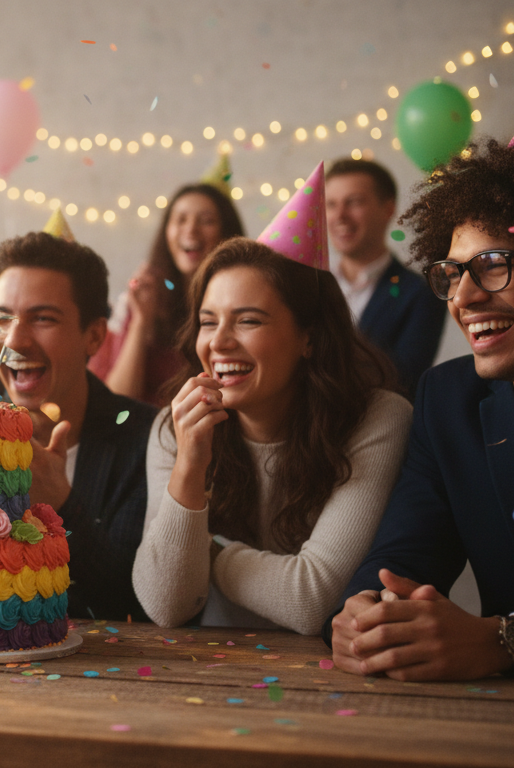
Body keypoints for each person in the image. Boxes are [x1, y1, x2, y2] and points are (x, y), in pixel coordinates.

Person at [327, 131, 514, 681]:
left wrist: (510, 640)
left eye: (494, 264)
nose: (463, 297)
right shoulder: (448, 402)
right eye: (452, 274)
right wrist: (365, 615)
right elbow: (399, 562)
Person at [131, 238, 411, 633]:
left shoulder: (375, 418)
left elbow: (312, 600)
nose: (219, 342)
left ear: (308, 338)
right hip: (208, 675)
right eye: (208, 322)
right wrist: (191, 464)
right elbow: (167, 605)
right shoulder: (174, 428)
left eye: (248, 321)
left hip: (335, 679)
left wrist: (209, 551)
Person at [0, 231, 157, 621]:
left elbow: (135, 602)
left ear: (94, 335)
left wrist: (62, 506)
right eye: (2, 319)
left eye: (43, 318)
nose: (14, 340)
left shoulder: (146, 440)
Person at [89, 183, 244, 405]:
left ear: (227, 233)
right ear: (166, 231)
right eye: (180, 220)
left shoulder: (241, 301)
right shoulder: (146, 299)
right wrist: (141, 322)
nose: (190, 230)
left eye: (206, 221)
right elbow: (118, 403)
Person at [325, 158, 446, 398]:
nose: (340, 215)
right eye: (330, 204)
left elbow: (402, 380)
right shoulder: (310, 286)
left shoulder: (420, 293)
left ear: (388, 208)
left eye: (354, 202)